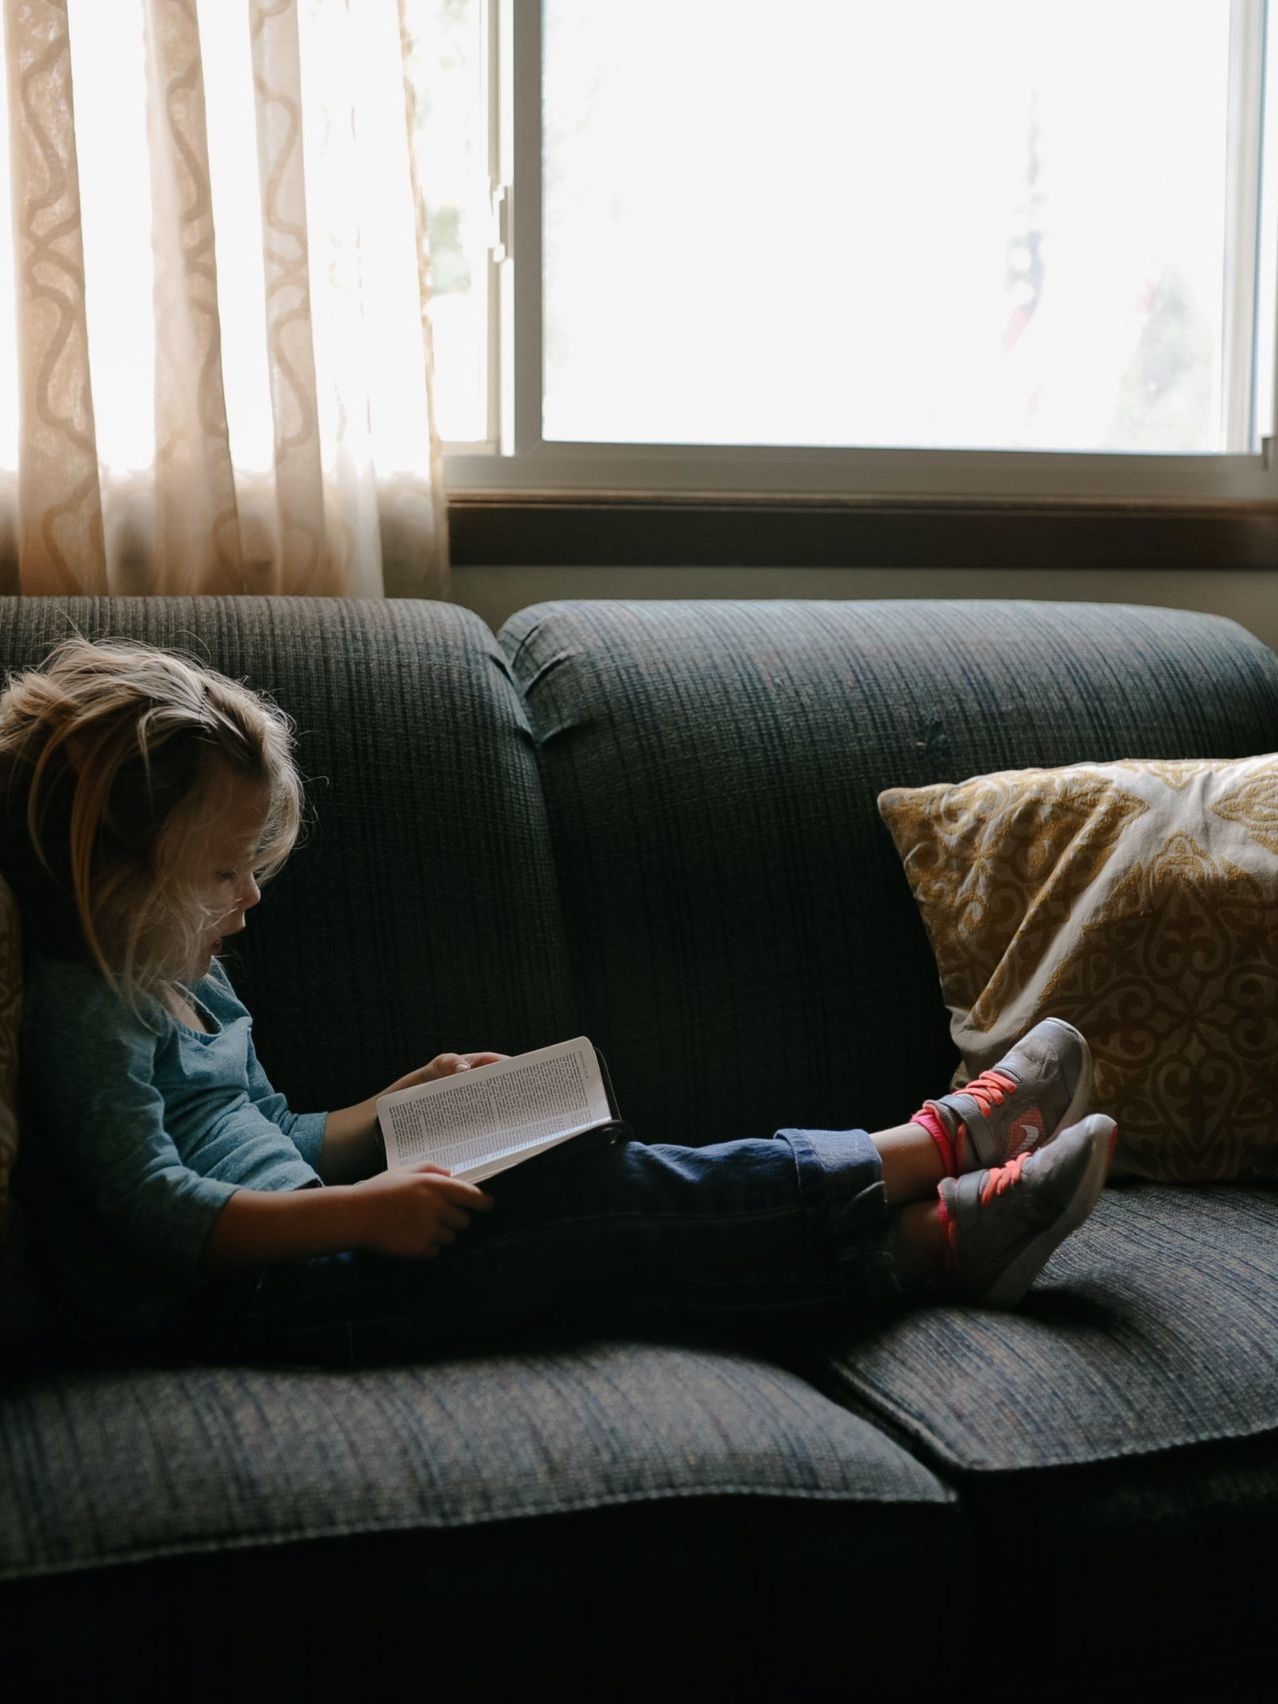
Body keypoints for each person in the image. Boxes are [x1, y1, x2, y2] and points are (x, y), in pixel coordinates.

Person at [3, 637, 1115, 1364]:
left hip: (323, 1254)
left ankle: (936, 1245)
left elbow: (279, 1134)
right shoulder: (82, 1011)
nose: (251, 894)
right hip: (270, 1305)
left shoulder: (189, 971)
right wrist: (361, 1214)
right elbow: (153, 1210)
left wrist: (400, 1108)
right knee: (594, 1197)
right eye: (220, 872)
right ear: (112, 869)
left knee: (608, 1244)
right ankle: (933, 1144)